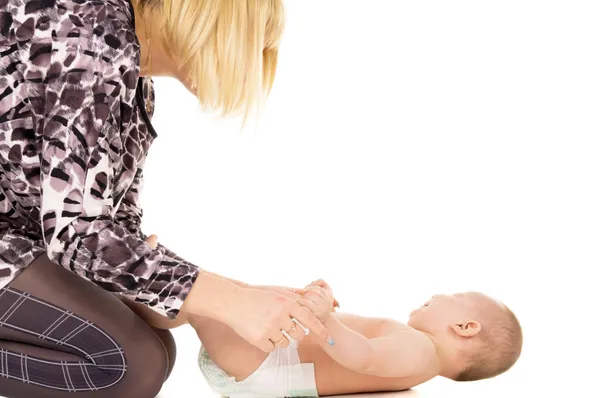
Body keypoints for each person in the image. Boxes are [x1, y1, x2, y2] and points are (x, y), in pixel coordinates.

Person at [0, 0, 332, 397]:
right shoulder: (92, 32)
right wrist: (224, 299)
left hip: (17, 248)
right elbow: (76, 235)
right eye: (253, 44)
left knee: (154, 350)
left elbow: (112, 232)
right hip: (15, 247)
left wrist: (244, 297)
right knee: (127, 363)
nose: (252, 67)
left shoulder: (132, 77)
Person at [185, 280, 523, 397]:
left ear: (465, 327)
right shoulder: (420, 361)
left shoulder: (421, 350)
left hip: (265, 361)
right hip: (265, 366)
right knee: (228, 295)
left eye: (454, 294)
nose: (437, 294)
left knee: (194, 303)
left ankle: (142, 279)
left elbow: (365, 358)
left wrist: (326, 320)